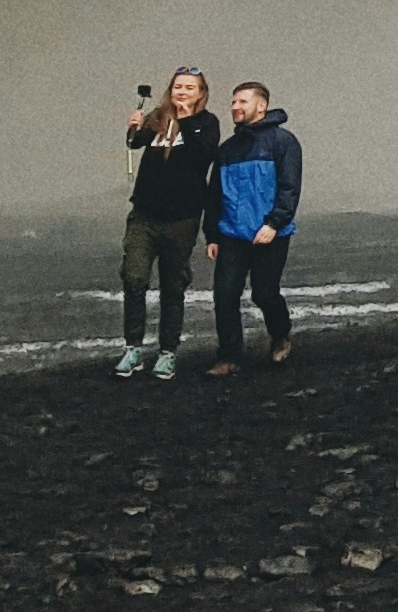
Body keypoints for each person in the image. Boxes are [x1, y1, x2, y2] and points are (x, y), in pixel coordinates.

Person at [118, 70, 218, 381]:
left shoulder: (207, 123)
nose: (182, 92)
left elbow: (206, 156)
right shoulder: (158, 116)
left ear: (201, 92)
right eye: (178, 87)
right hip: (144, 215)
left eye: (190, 88)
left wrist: (187, 121)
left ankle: (167, 352)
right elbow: (135, 144)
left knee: (173, 286)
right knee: (134, 279)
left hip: (182, 219)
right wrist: (134, 126)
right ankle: (133, 348)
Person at [204, 80, 302, 376]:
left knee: (264, 293)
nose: (235, 107)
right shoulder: (227, 150)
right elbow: (215, 195)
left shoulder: (283, 142)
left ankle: (280, 334)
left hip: (270, 233)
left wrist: (274, 223)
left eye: (242, 102)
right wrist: (212, 235)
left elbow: (289, 187)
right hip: (232, 233)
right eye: (233, 102)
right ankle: (229, 356)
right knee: (225, 295)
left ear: (262, 106)